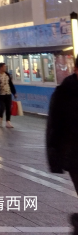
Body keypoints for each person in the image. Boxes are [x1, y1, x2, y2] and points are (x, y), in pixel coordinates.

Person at [46, 57, 78, 234]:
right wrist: (54, 157)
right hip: (74, 155)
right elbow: (54, 127)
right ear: (76, 69)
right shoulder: (64, 93)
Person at [0, 62, 16, 128]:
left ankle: (8, 121)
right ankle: (0, 117)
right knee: (2, 107)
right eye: (4, 66)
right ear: (0, 68)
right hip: (1, 94)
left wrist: (14, 93)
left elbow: (11, 84)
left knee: (8, 108)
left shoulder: (7, 74)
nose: (5, 67)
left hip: (8, 93)